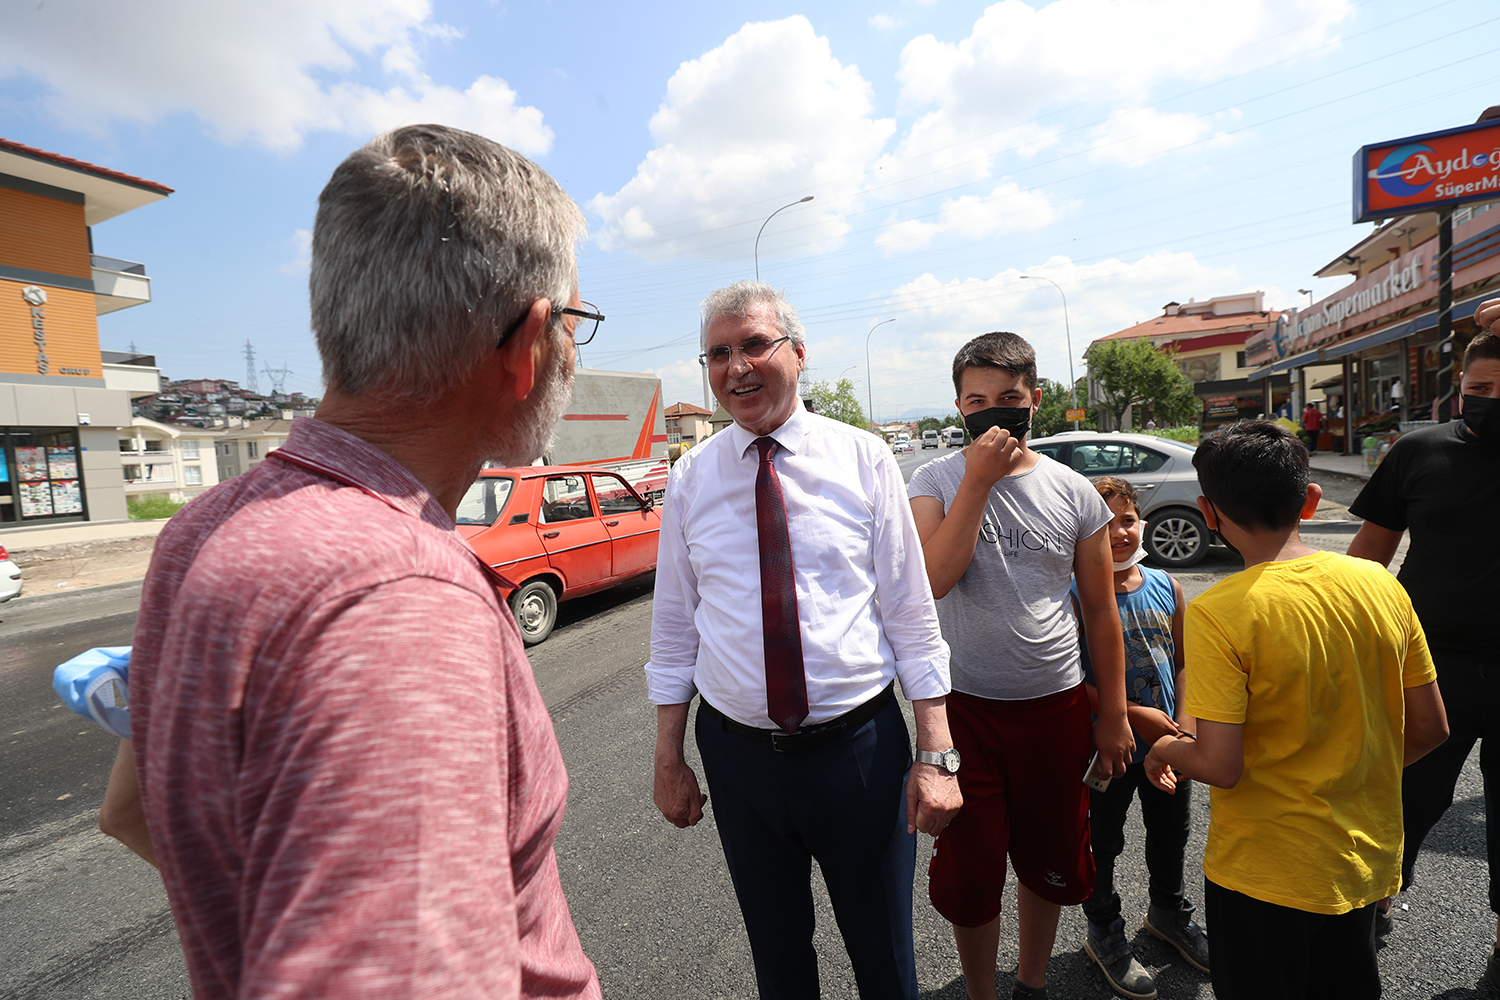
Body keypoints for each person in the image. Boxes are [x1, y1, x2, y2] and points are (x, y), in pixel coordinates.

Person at [119, 125, 601, 999]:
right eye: (574, 322)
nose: (574, 348)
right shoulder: (402, 596)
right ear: (529, 343)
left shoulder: (198, 530)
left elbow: (134, 812)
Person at [646, 281, 961, 1000]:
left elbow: (911, 613)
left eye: (755, 344)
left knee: (884, 957)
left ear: (798, 352)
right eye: (718, 353)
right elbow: (673, 630)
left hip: (859, 754)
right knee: (778, 960)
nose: (737, 366)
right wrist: (669, 754)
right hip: (740, 762)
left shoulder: (863, 459)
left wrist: (936, 755)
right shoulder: (692, 477)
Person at [1144, 420, 1448, 1000]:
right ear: (1309, 499)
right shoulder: (1380, 585)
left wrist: (1164, 747)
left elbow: (1219, 763)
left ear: (1208, 512)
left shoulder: (1221, 612)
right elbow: (1432, 728)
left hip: (1263, 871)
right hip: (1362, 856)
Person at [908, 331, 1134, 1000]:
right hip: (962, 715)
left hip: (1056, 708)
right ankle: (982, 992)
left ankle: (1032, 983)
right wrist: (978, 480)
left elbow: (1100, 612)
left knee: (1050, 861)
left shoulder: (1075, 493)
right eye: (977, 400)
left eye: (1009, 398)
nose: (994, 411)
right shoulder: (935, 480)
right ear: (958, 406)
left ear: (1034, 401)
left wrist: (1114, 715)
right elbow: (933, 580)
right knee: (971, 872)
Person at [1347, 298, 1500, 983]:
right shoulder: (1419, 452)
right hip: (1426, 668)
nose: (1491, 402)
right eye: (1480, 391)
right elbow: (1363, 563)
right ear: (1459, 390)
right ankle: (1377, 897)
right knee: (1404, 796)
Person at [1073, 477, 1207, 1000]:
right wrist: (1129, 714)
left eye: (1127, 520)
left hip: (1169, 744)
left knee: (1172, 828)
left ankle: (1168, 912)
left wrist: (1184, 729)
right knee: (1102, 840)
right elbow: (1070, 681)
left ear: (1142, 524)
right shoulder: (1075, 594)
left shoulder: (1165, 585)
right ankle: (1103, 927)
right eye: (1103, 525)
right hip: (1105, 748)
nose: (1118, 533)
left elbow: (1185, 665)